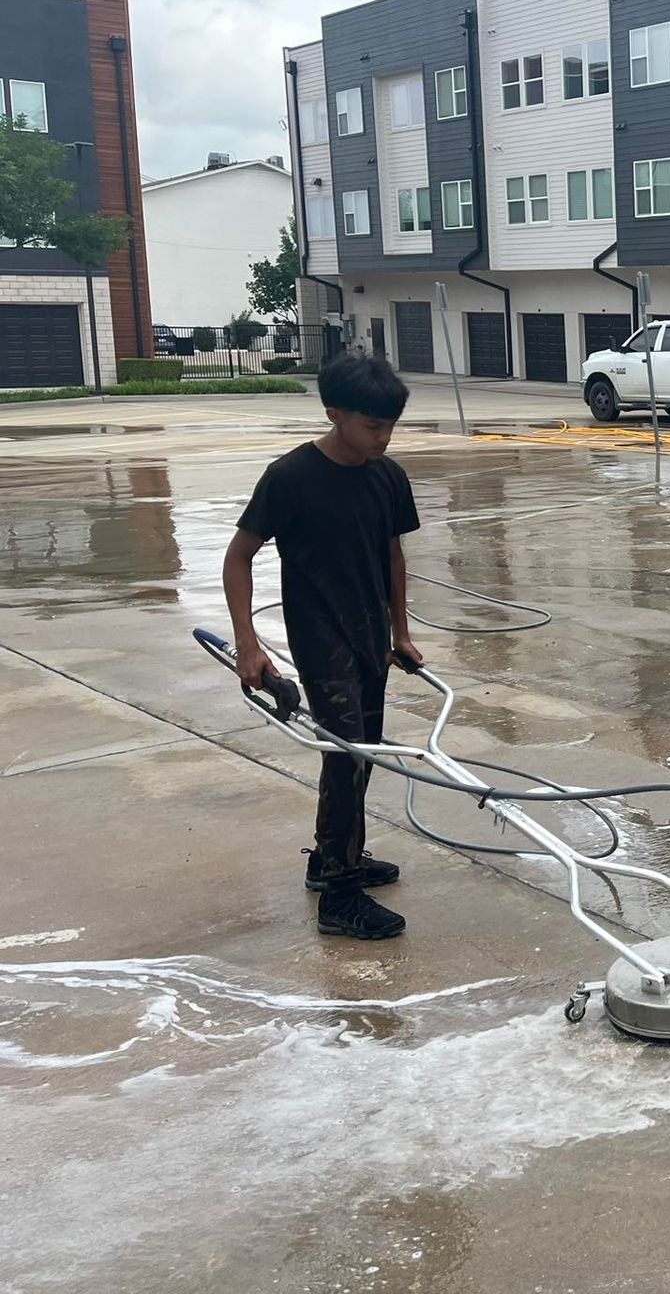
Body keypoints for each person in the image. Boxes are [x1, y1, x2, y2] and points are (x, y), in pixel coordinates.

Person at [222, 351, 422, 940]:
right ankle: (339, 895)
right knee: (347, 752)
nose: (383, 437)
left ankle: (334, 860)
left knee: (364, 750)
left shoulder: (387, 475)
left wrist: (401, 633)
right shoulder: (290, 477)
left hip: (368, 633)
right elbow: (238, 557)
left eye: (390, 426)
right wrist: (247, 644)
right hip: (319, 633)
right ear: (335, 414)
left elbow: (393, 556)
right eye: (372, 426)